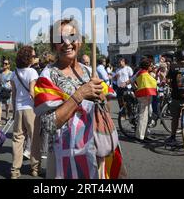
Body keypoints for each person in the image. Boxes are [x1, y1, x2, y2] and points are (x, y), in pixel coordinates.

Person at [34, 18, 125, 179]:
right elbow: (48, 125)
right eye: (60, 40)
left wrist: (102, 100)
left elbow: (105, 113)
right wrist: (79, 95)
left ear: (80, 41)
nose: (67, 43)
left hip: (97, 154)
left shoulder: (91, 72)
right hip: (65, 160)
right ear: (54, 46)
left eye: (72, 37)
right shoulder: (48, 76)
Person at [10, 46, 41, 179]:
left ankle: (15, 170)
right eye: (33, 56)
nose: (35, 58)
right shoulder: (32, 72)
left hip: (18, 108)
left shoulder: (14, 73)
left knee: (18, 139)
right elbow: (33, 93)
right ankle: (35, 169)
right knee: (34, 139)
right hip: (31, 109)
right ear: (28, 58)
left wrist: (13, 110)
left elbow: (14, 95)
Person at [131, 57, 157, 142]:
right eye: (151, 65)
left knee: (148, 114)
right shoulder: (143, 73)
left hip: (146, 96)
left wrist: (136, 88)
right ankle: (140, 136)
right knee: (143, 115)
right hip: (144, 96)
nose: (152, 67)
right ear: (147, 66)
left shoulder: (142, 72)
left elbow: (132, 81)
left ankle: (145, 134)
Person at [0, 60, 12, 127]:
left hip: (8, 91)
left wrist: (12, 90)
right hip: (1, 91)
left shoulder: (11, 73)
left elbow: (13, 83)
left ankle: (7, 118)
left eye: (6, 63)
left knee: (7, 105)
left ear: (9, 65)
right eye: (3, 63)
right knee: (0, 105)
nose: (4, 64)